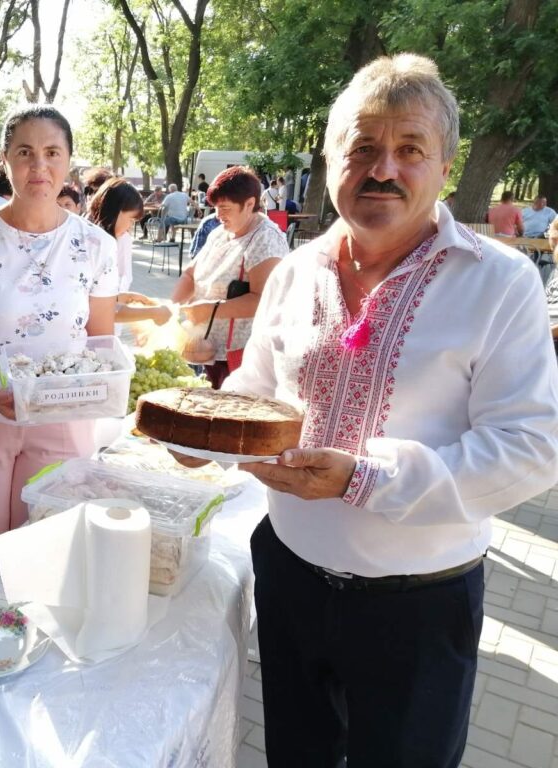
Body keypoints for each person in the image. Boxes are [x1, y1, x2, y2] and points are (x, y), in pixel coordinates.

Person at [212, 54, 558, 767]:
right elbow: (256, 386)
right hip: (289, 578)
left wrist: (365, 478)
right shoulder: (298, 269)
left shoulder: (500, 282)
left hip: (418, 609)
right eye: (362, 148)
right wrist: (203, 430)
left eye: (410, 150)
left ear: (446, 167)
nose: (383, 169)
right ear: (333, 160)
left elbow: (531, 448)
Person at [0, 104, 118, 584]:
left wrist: (106, 387)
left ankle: (35, 651)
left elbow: (100, 340)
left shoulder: (96, 247)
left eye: (52, 153)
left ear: (69, 161)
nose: (40, 167)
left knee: (43, 553)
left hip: (63, 421)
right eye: (25, 152)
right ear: (5, 162)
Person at [171, 166, 287, 388]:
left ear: (250, 204)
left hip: (243, 360)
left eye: (224, 208)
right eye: (216, 208)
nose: (218, 215)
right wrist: (171, 310)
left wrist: (210, 309)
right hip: (210, 352)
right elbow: (189, 275)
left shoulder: (266, 239)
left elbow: (263, 300)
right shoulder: (220, 233)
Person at [88, 177, 172, 326]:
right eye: (131, 220)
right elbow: (103, 309)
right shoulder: (96, 245)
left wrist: (124, 297)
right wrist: (154, 313)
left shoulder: (98, 238)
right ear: (116, 211)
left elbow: (99, 297)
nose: (129, 228)